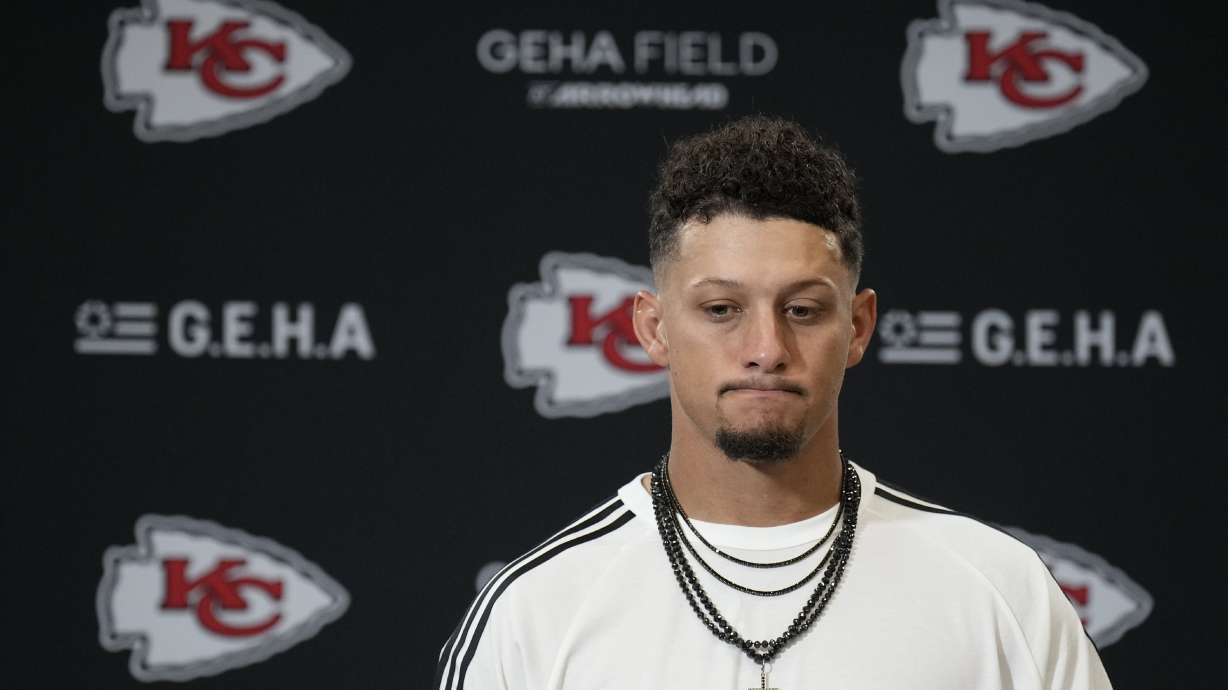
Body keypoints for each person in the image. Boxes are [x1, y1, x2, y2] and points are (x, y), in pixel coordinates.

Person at [434, 115, 1111, 690]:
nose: (766, 348)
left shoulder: (1000, 591)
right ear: (653, 328)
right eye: (721, 309)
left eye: (803, 309)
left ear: (858, 326)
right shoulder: (537, 611)